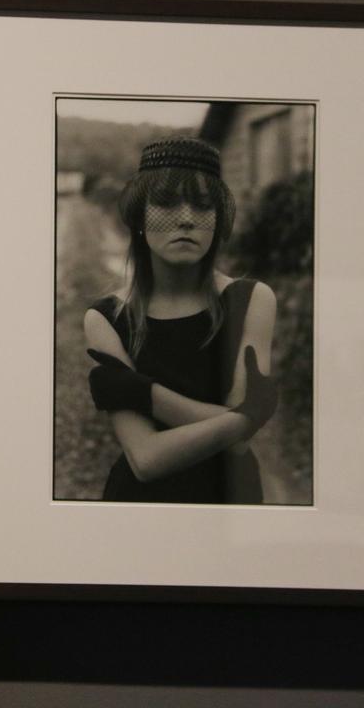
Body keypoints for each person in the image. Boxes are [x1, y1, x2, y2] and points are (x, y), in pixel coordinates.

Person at [84, 136, 278, 504]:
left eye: (204, 207)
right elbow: (145, 458)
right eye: (166, 204)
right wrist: (243, 418)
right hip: (139, 509)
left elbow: (240, 448)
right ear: (139, 216)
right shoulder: (105, 318)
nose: (187, 218)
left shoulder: (252, 300)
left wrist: (144, 394)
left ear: (219, 220)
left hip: (231, 505)